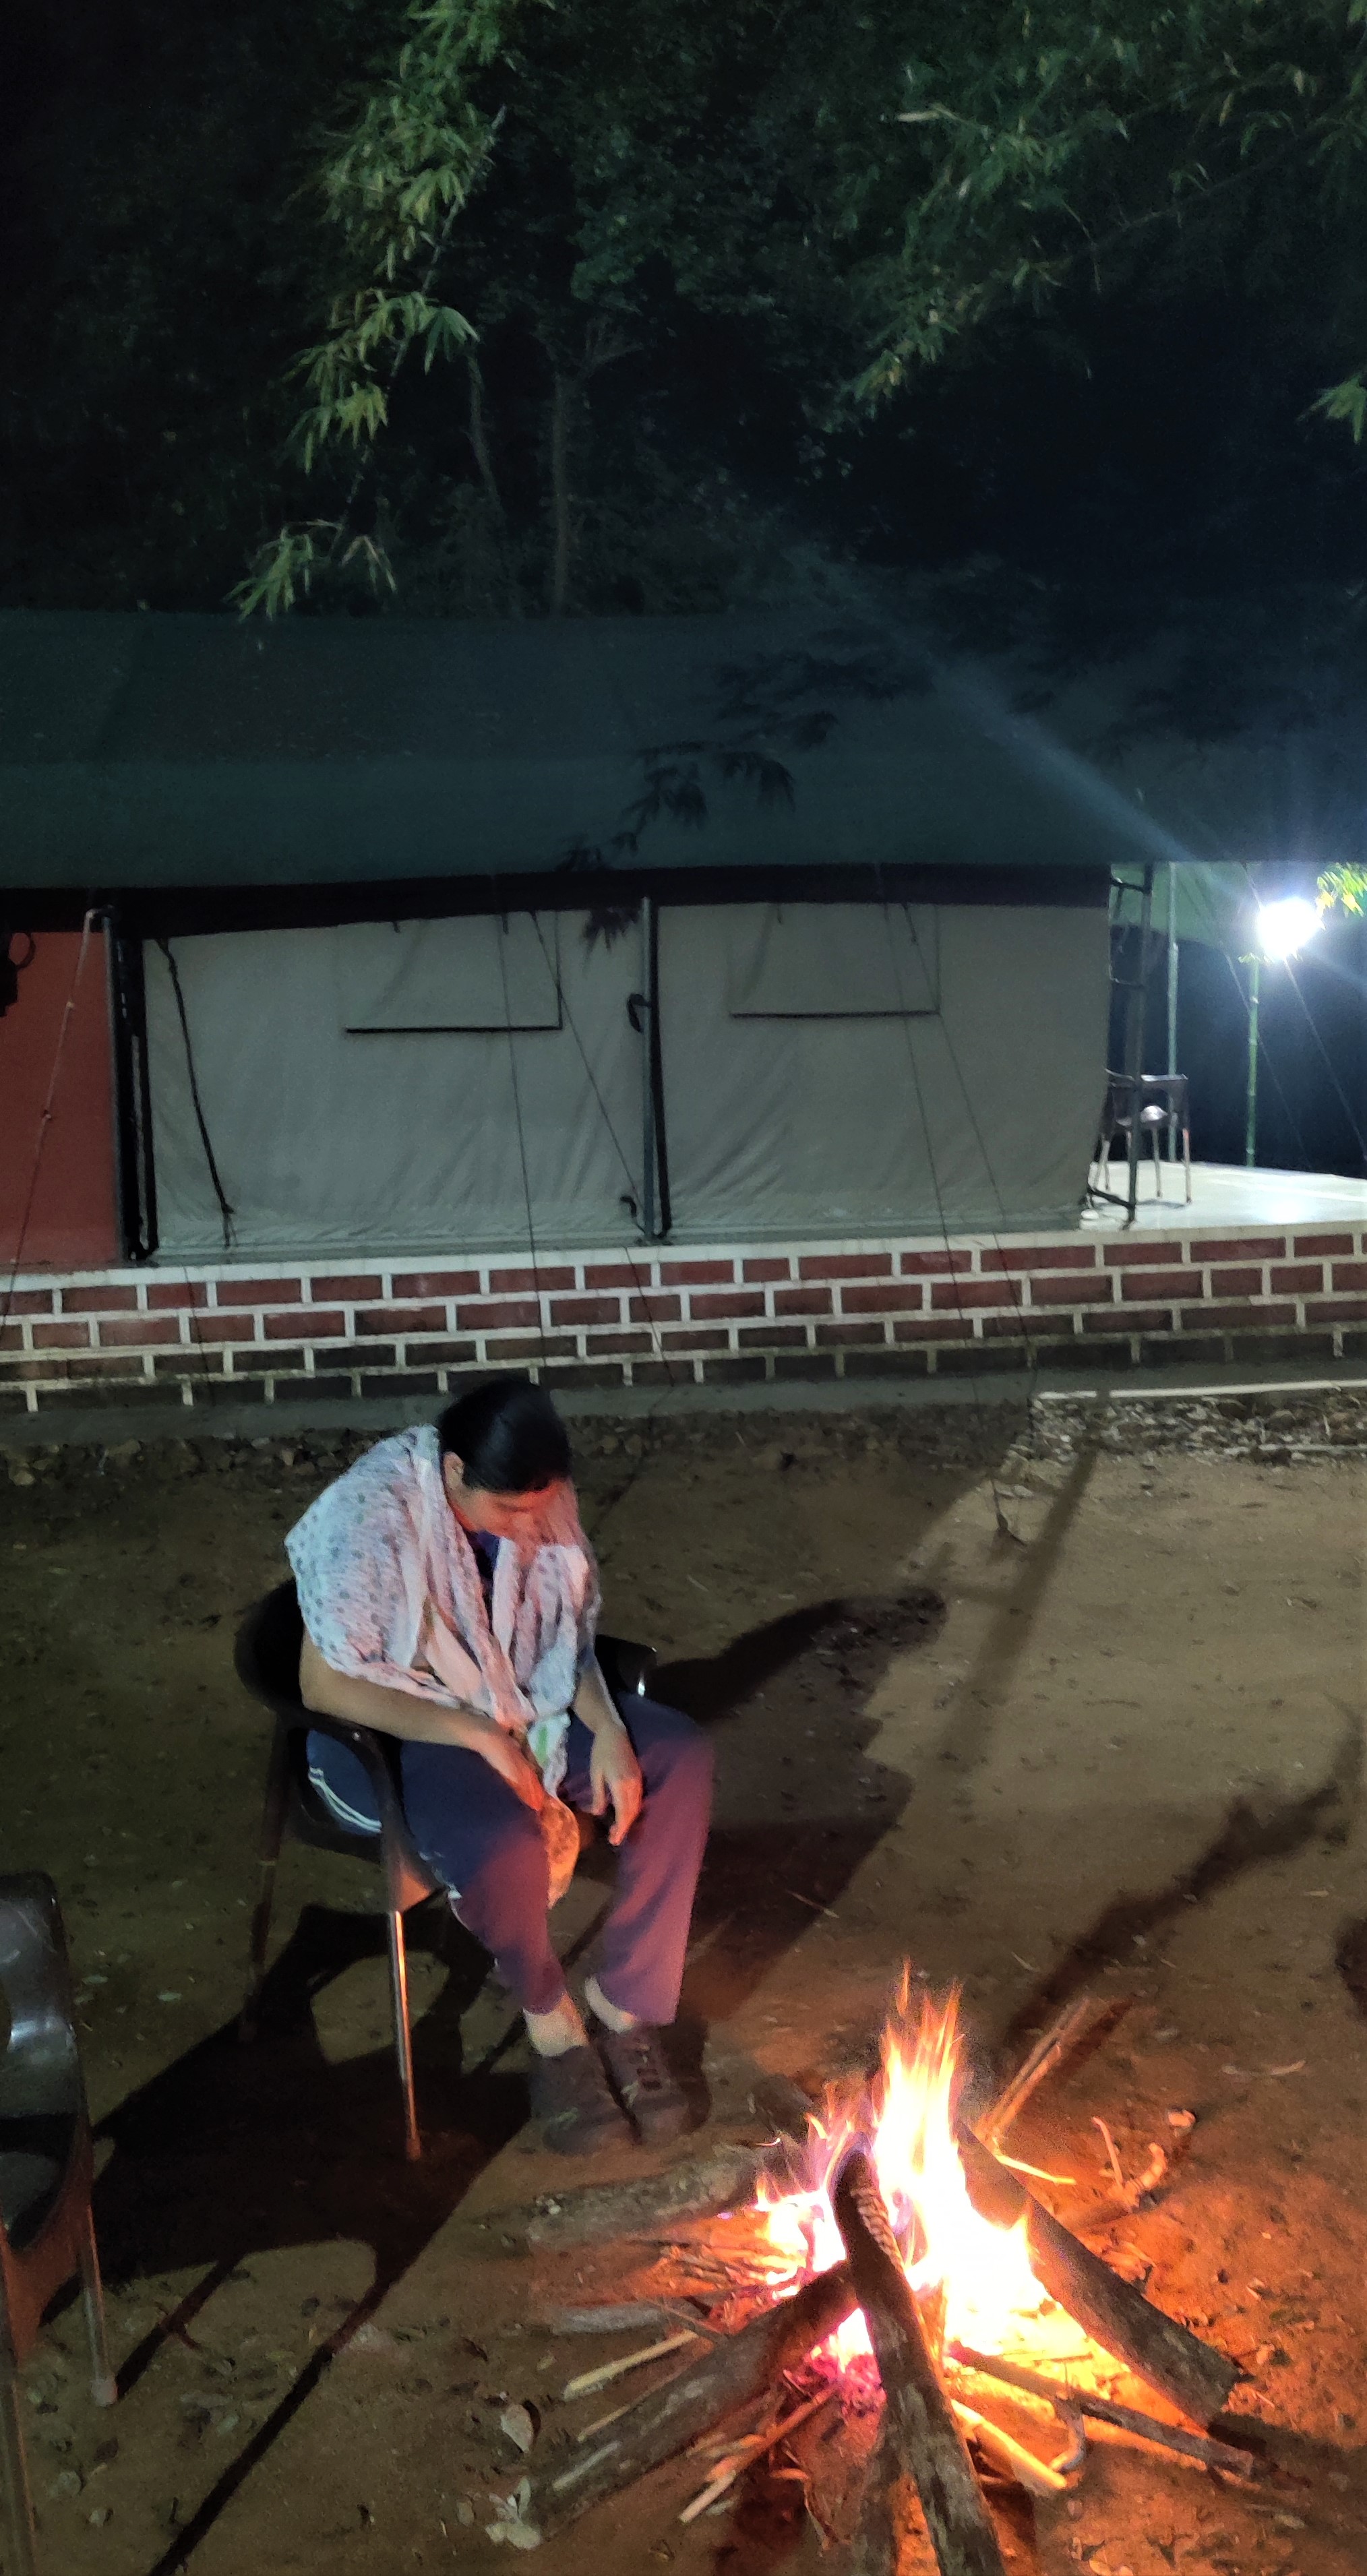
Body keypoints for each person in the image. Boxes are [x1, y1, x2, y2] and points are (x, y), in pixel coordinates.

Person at [285, 1376, 712, 2154]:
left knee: (678, 1759)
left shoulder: (540, 1503)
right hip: (394, 1726)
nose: (529, 1529)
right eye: (510, 1510)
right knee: (501, 1843)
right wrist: (473, 1734)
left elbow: (563, 1640)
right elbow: (326, 1684)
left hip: (514, 1699)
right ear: (454, 1472)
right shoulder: (372, 1516)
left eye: (540, 1509)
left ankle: (625, 2006)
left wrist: (608, 1729)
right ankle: (553, 2024)